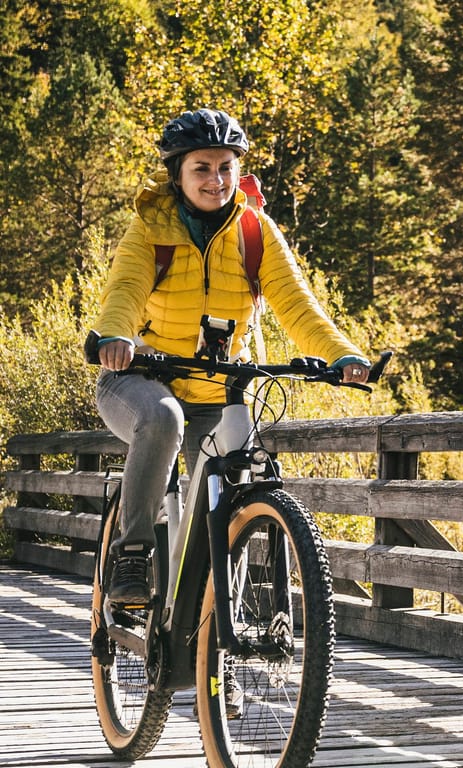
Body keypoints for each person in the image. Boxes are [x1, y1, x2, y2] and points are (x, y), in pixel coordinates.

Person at [90, 108, 371, 606]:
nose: (216, 180)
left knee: (215, 514)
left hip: (218, 391)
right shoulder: (150, 229)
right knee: (162, 418)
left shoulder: (254, 231)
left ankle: (205, 636)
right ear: (177, 173)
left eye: (226, 167)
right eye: (202, 168)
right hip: (138, 378)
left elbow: (298, 306)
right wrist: (115, 336)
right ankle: (132, 553)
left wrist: (342, 354)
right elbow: (124, 293)